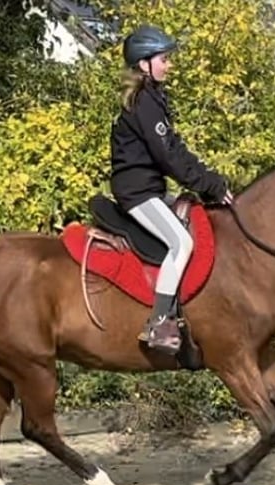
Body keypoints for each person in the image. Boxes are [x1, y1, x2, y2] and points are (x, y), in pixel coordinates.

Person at [110, 24, 234, 356]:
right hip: (137, 193)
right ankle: (158, 323)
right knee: (181, 243)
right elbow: (169, 157)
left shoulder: (153, 99)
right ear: (143, 64)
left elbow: (175, 148)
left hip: (148, 188)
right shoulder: (143, 104)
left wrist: (210, 182)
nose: (169, 65)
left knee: (194, 220)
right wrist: (211, 184)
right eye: (163, 59)